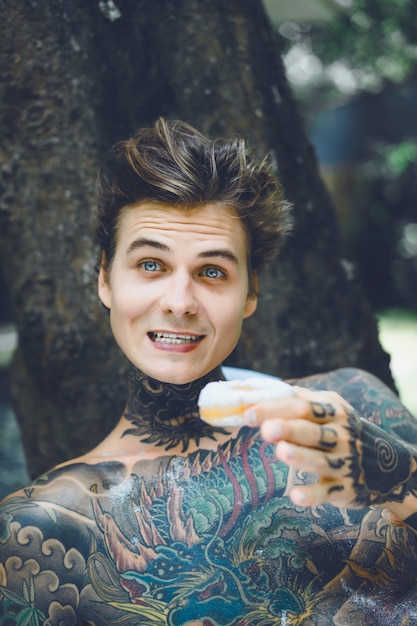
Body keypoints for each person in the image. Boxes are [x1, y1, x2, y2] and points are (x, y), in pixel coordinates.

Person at [1, 118, 417, 626]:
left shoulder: (356, 404)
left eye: (212, 271)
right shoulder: (45, 528)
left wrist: (396, 475)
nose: (179, 302)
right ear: (105, 280)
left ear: (250, 293)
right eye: (151, 264)